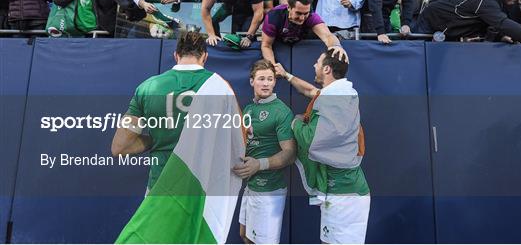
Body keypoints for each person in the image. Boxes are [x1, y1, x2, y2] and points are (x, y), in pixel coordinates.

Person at [114, 32, 244, 244]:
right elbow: (238, 142)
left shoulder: (147, 87)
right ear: (205, 56)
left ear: (175, 55)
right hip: (202, 189)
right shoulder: (220, 87)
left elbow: (120, 146)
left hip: (160, 185)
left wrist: (155, 138)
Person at [275, 50, 370, 244]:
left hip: (346, 194)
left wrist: (295, 123)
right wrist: (287, 75)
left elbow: (313, 140)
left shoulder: (335, 99)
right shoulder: (337, 94)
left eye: (317, 62)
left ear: (327, 68)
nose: (314, 65)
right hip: (337, 192)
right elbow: (310, 92)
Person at [233, 60, 296, 244]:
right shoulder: (249, 109)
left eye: (270, 79)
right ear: (252, 81)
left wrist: (259, 164)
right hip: (251, 186)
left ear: (275, 82)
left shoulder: (281, 111)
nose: (266, 83)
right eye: (261, 79)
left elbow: (290, 154)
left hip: (270, 190)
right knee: (244, 235)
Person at [261, 0, 347, 65]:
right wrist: (272, 67)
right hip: (278, 47)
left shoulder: (312, 16)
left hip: (302, 46)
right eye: (298, 13)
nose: (302, 18)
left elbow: (327, 36)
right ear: (289, 8)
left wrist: (336, 45)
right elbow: (266, 45)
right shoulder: (273, 17)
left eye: (306, 13)